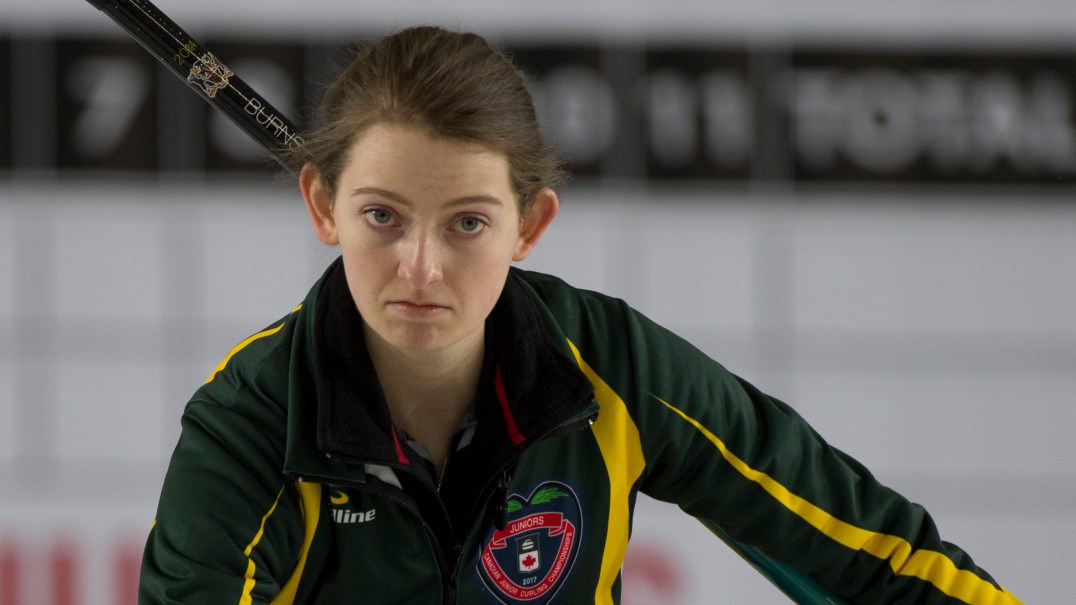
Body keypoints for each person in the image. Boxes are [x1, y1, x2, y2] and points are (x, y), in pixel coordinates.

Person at [139, 26, 1024, 605]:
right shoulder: (251, 421)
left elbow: (875, 560)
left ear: (531, 225)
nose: (420, 265)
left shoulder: (612, 367)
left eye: (468, 223)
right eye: (382, 216)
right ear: (323, 207)